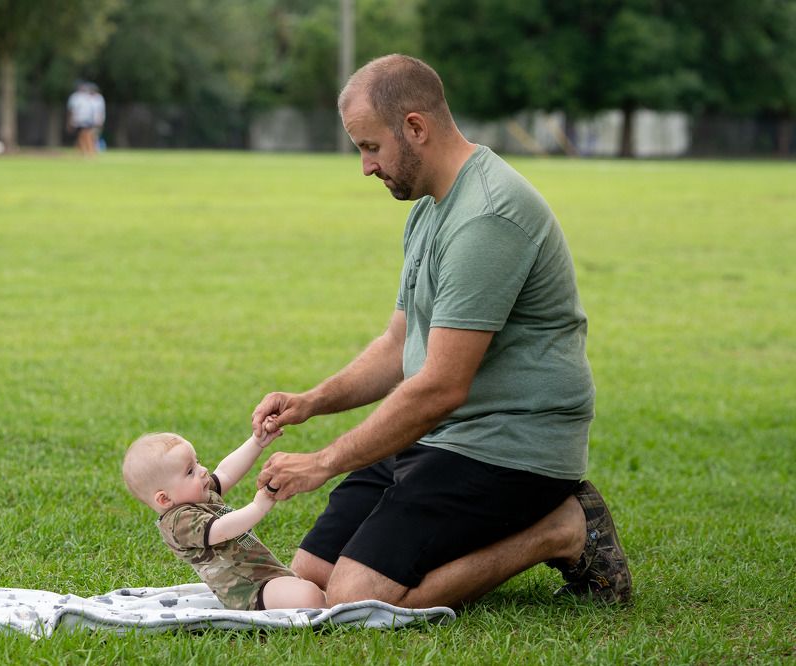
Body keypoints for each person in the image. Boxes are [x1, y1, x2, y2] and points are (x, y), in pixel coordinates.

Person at [252, 54, 631, 609]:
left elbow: (441, 386)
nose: (365, 167)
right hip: (445, 435)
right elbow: (395, 347)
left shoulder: (487, 217)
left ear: (415, 128)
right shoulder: (429, 209)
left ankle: (562, 528)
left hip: (511, 447)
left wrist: (325, 461)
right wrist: (313, 402)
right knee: (309, 576)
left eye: (369, 147)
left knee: (355, 601)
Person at [121, 426, 326, 611]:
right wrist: (258, 506)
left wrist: (256, 442)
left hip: (265, 575)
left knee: (312, 590)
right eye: (190, 471)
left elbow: (226, 473)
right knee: (310, 597)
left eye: (197, 462)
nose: (202, 471)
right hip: (249, 591)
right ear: (165, 498)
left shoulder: (198, 494)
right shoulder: (178, 522)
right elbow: (222, 529)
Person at [66, 81, 104, 156]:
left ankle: (89, 151)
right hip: (82, 120)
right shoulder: (81, 97)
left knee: (87, 135)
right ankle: (85, 151)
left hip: (86, 119)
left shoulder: (88, 97)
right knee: (83, 136)